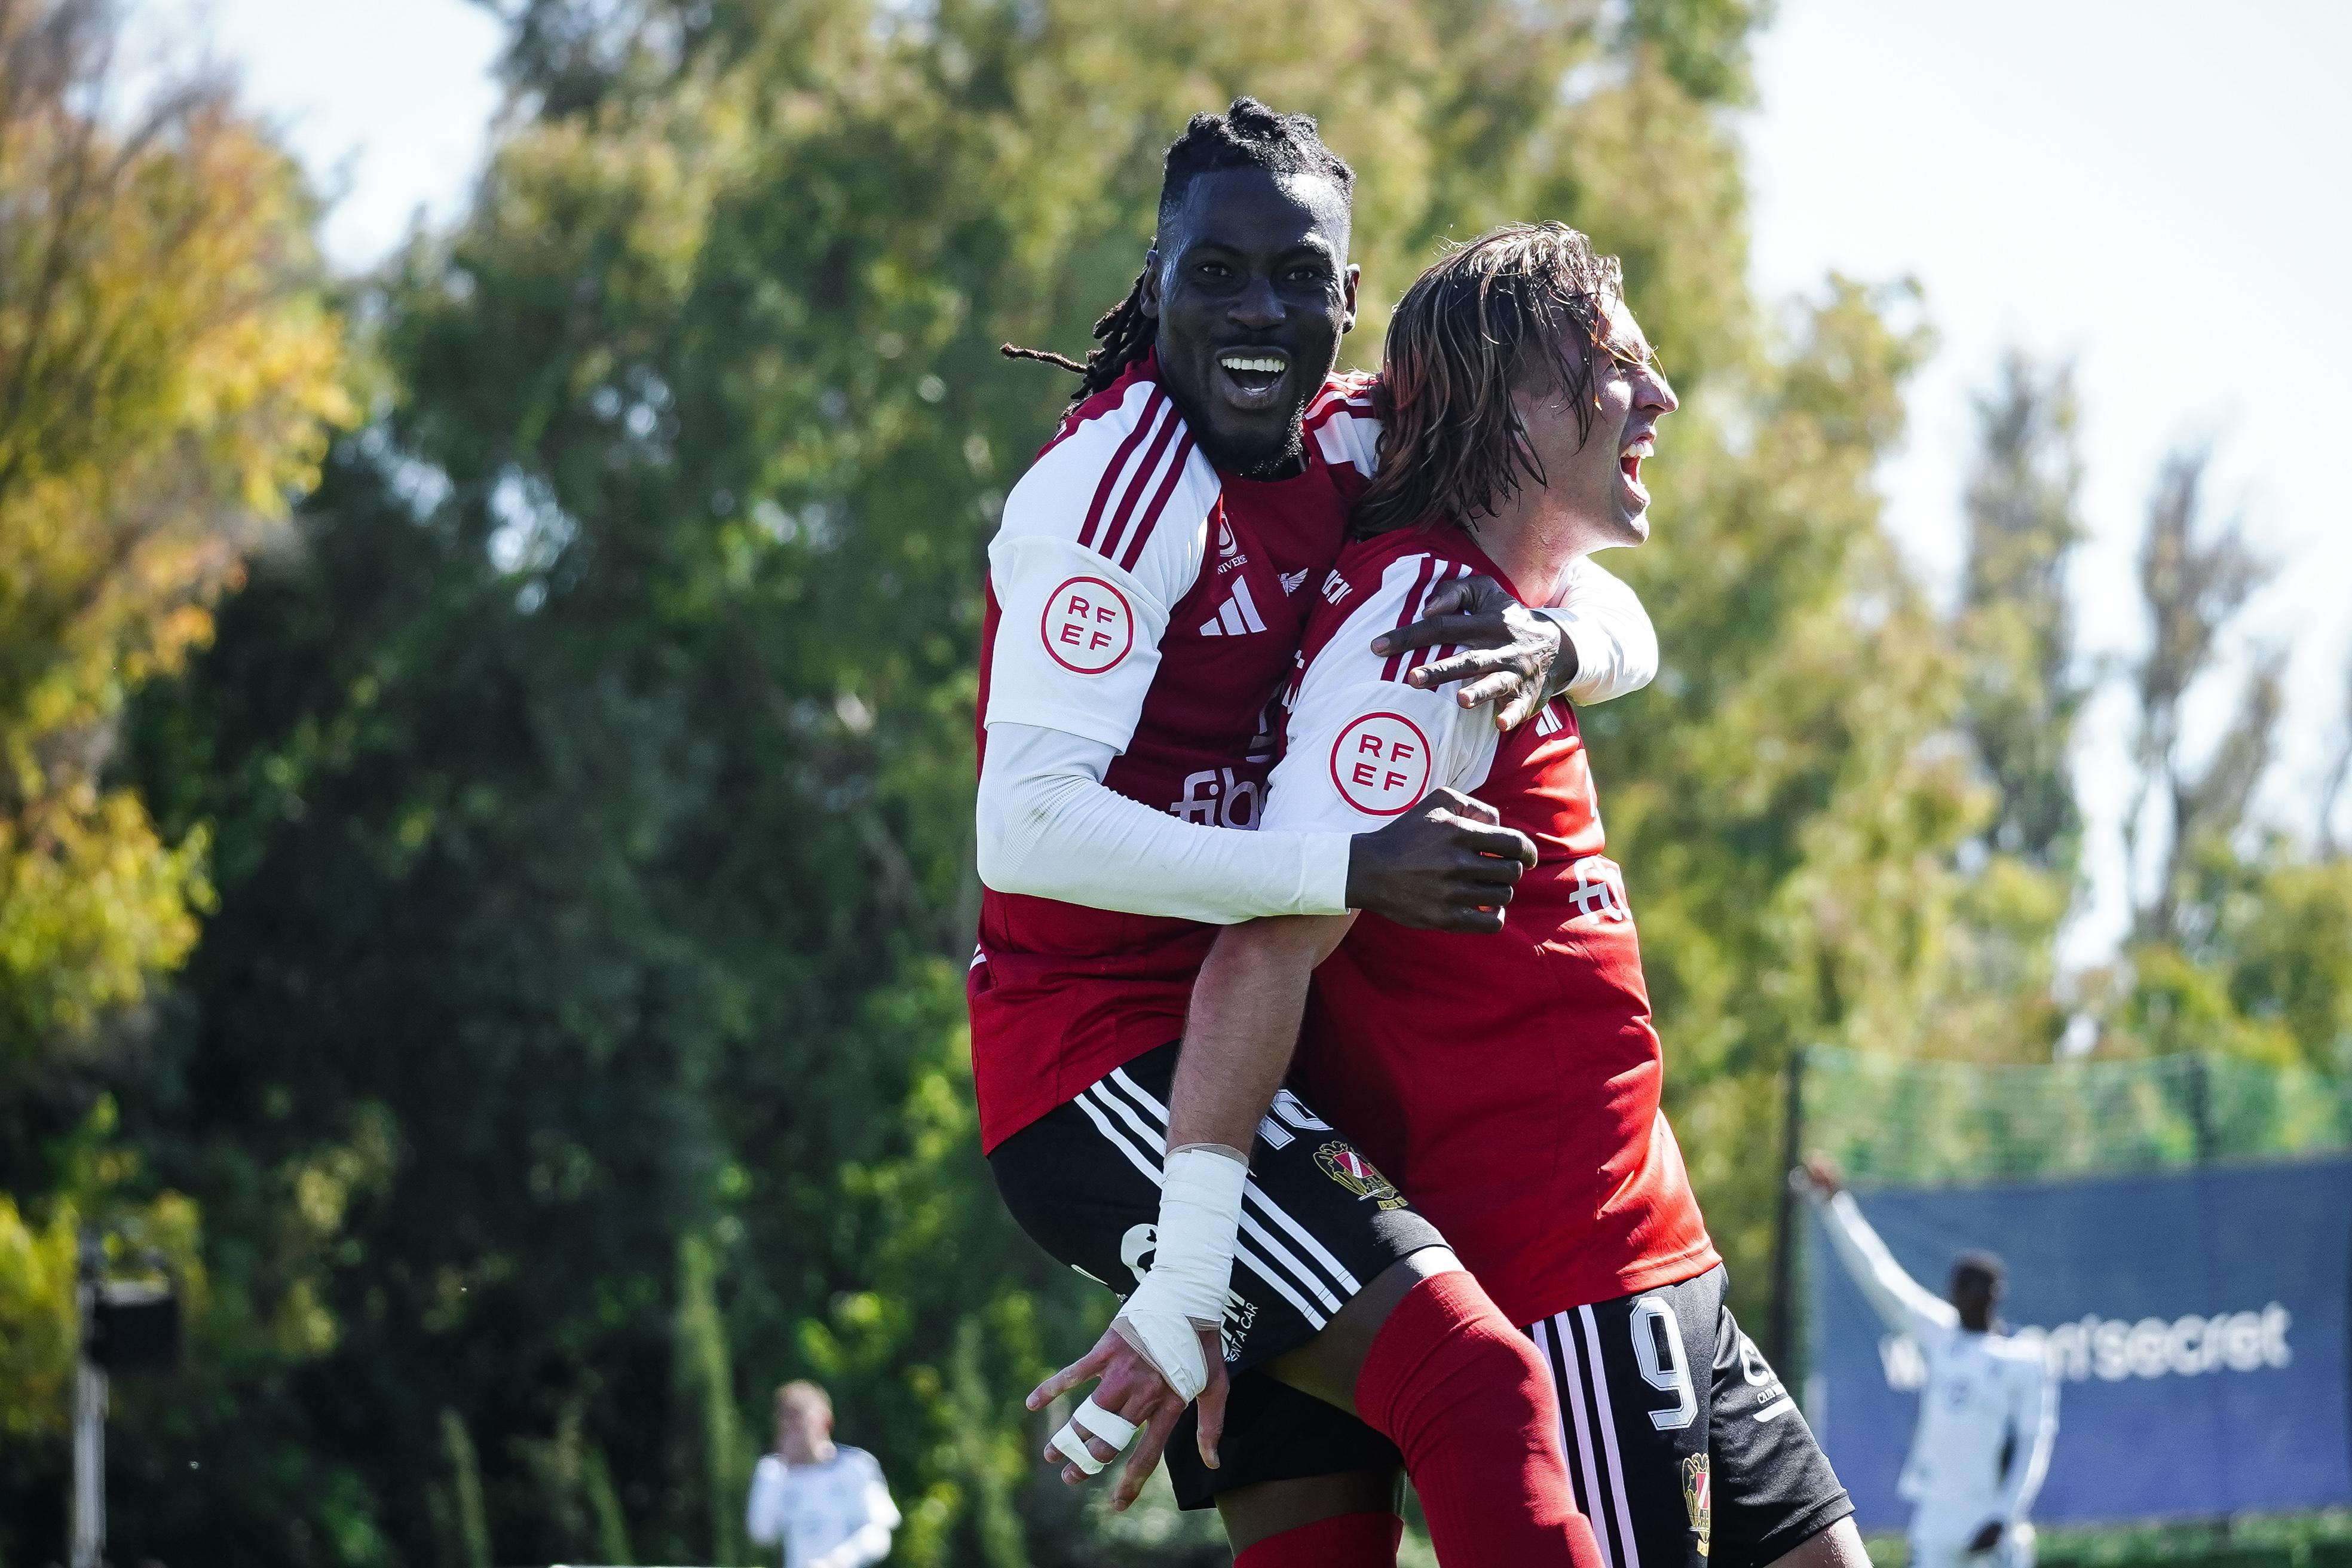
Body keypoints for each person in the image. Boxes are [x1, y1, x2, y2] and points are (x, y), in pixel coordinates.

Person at [1051, 222, 1869, 1568]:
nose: (1659, 398)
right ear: (1510, 401)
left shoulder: (1510, 614)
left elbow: (1621, 625)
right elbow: (1265, 953)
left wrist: (1561, 639)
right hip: (1563, 1276)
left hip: (1657, 1246)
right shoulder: (1421, 640)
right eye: (1617, 366)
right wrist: (1189, 1272)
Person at [979, 100, 1664, 1568]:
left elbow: (1580, 548)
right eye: (1214, 270)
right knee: (1480, 1384)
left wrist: (1561, 645)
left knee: (1325, 1503)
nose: (1256, 306)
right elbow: (1026, 830)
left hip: (1258, 1062)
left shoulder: (1358, 433)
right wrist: (1340, 869)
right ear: (1153, 277)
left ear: (1348, 301)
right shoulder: (1107, 497)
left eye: (1298, 276)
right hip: (1097, 1062)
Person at [1795, 1156, 2057, 1568]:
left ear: (1995, 1293)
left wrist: (2004, 1516)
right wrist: (1836, 1205)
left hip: (1992, 1525)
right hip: (1937, 1522)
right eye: (1957, 1285)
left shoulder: (2022, 1360)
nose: (1960, 1293)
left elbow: (2032, 1444)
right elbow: (1880, 1275)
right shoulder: (1939, 1335)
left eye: (1973, 1286)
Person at [745, 1382, 900, 1568]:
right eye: (785, 1420)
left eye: (798, 1418)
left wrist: (837, 1561)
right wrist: (778, 1473)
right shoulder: (773, 1473)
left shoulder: (855, 1466)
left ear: (825, 1420)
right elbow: (762, 1533)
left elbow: (879, 1536)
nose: (792, 1428)